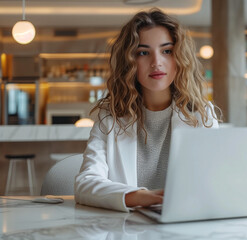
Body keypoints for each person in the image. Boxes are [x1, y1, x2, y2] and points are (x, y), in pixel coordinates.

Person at [74, 8, 220, 212]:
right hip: (126, 228)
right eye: (143, 53)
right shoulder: (110, 116)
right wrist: (140, 197)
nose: (156, 62)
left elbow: (216, 181)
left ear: (179, 57)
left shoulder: (201, 113)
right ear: (129, 62)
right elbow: (85, 184)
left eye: (166, 51)